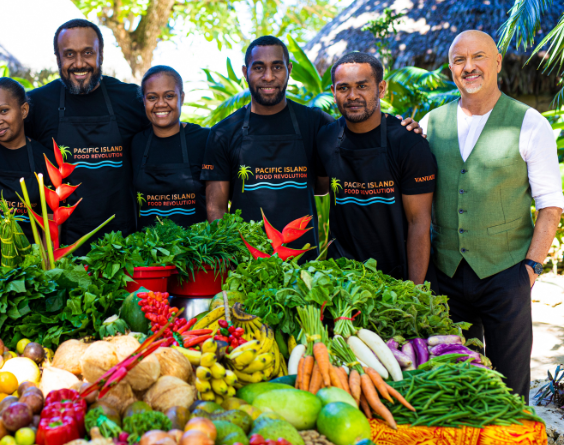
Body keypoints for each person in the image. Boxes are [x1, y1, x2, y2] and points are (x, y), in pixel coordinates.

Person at [421, 30, 564, 401]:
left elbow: (550, 206)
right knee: (452, 385)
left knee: (509, 389)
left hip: (506, 274)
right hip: (446, 276)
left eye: (479, 57)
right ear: (451, 68)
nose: (469, 67)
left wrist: (530, 269)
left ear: (497, 62)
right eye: (459, 60)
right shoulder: (429, 123)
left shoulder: (530, 123)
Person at [200, 36, 335, 257]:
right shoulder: (223, 132)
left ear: (289, 69)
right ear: (245, 72)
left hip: (305, 269)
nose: (268, 77)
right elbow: (216, 209)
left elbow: (325, 185)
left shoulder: (316, 122)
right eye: (259, 68)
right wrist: (229, 262)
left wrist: (401, 127)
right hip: (245, 267)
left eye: (277, 67)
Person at [24, 19, 149, 253]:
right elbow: (3, 141)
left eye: (88, 53)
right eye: (69, 54)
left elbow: (167, 133)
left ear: (101, 54)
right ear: (57, 57)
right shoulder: (37, 104)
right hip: (62, 249)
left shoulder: (131, 99)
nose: (79, 63)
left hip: (123, 247)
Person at [315, 52, 436, 283]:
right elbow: (318, 186)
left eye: (362, 86)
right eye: (343, 88)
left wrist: (415, 290)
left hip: (397, 279)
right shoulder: (326, 138)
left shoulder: (408, 142)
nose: (352, 96)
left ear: (381, 89)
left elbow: (419, 223)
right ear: (333, 92)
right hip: (342, 277)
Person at [0, 78, 51, 262]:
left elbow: (52, 224)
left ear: (23, 111)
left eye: (4, 111)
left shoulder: (45, 159)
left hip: (29, 274)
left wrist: (46, 271)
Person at [132, 66, 209, 227]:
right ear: (144, 101)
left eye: (169, 96)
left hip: (197, 248)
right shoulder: (135, 144)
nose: (161, 104)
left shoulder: (204, 139)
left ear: (181, 97)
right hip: (146, 249)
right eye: (152, 98)